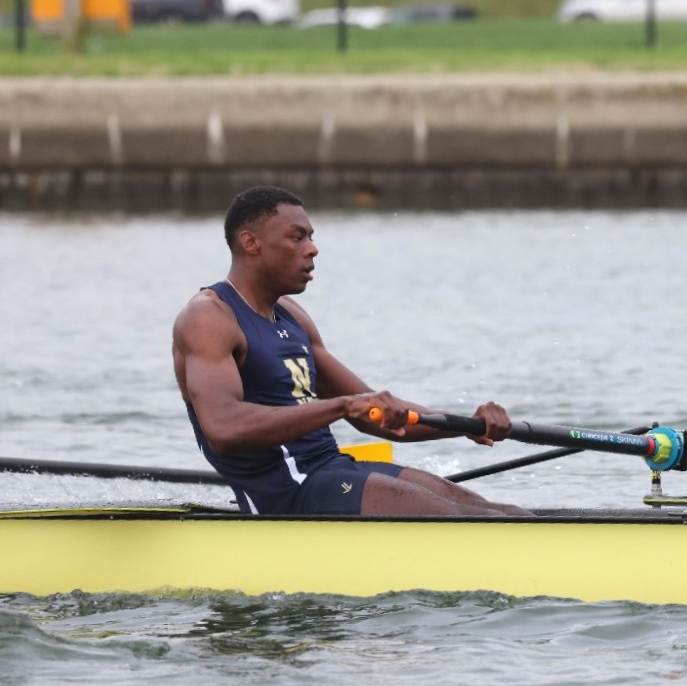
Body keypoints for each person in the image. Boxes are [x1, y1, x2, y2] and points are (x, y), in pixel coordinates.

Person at [172, 186, 530, 517]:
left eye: (311, 237)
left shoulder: (293, 316)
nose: (312, 249)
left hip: (332, 470)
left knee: (509, 515)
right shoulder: (209, 318)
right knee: (472, 522)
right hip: (286, 493)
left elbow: (371, 414)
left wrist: (466, 424)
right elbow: (224, 429)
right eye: (297, 237)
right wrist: (342, 406)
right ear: (251, 243)